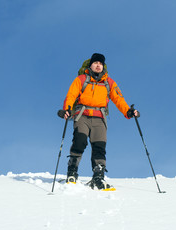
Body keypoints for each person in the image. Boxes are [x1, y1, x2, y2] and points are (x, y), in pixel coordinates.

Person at [59, 53, 139, 190]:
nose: (98, 65)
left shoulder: (109, 82)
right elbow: (71, 95)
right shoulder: (81, 79)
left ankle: (98, 176)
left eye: (100, 63)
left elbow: (118, 98)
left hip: (100, 118)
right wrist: (66, 109)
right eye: (95, 63)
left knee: (99, 147)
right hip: (82, 115)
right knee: (80, 141)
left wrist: (128, 111)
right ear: (90, 65)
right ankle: (72, 171)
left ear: (103, 66)